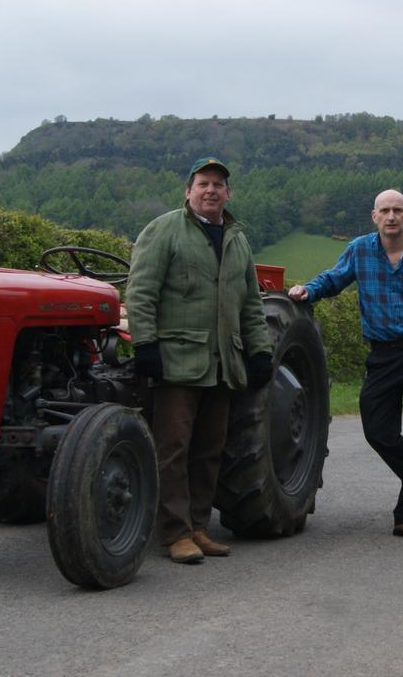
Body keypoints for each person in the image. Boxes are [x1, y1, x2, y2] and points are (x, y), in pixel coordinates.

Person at [288, 189, 403, 541]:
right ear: (374, 216)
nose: (392, 217)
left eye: (398, 210)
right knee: (378, 429)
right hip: (383, 354)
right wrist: (308, 290)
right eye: (385, 210)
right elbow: (334, 278)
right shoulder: (360, 250)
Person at [125, 156, 274, 564]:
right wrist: (146, 345)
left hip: (223, 363)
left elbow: (249, 307)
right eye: (203, 184)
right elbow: (140, 292)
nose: (211, 191)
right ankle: (172, 533)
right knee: (173, 448)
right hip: (177, 361)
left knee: (210, 449)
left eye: (218, 185)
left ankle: (197, 526)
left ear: (228, 194)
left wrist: (259, 351)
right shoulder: (164, 230)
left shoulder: (236, 240)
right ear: (188, 191)